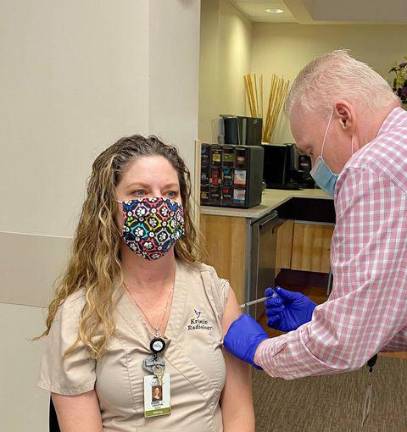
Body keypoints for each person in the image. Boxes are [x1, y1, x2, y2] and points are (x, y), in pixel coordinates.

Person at [38, 135, 254, 431]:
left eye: (170, 193)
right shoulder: (79, 315)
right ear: (108, 209)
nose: (157, 205)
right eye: (139, 193)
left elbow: (239, 414)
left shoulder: (213, 291)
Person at [224, 50, 407, 379]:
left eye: (310, 151)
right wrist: (323, 316)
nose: (314, 168)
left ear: (344, 117)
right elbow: (386, 308)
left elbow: (346, 342)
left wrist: (260, 351)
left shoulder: (372, 166)